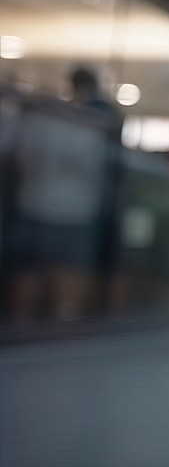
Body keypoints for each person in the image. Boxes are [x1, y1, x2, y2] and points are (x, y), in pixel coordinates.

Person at [6, 68, 123, 322]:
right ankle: (62, 324)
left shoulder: (40, 119)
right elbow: (97, 168)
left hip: (33, 204)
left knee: (29, 273)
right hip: (76, 211)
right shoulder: (91, 124)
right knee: (68, 275)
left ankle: (21, 323)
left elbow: (20, 158)